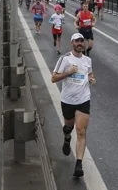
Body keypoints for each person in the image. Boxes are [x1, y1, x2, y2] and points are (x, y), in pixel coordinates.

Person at [51, 33, 97, 178]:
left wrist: (91, 79)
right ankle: (66, 138)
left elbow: (90, 74)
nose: (80, 43)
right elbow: (53, 78)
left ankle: (78, 164)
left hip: (83, 100)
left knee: (81, 131)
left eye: (82, 41)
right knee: (68, 127)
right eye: (77, 41)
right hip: (67, 100)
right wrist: (68, 72)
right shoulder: (65, 59)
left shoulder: (88, 60)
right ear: (72, 43)